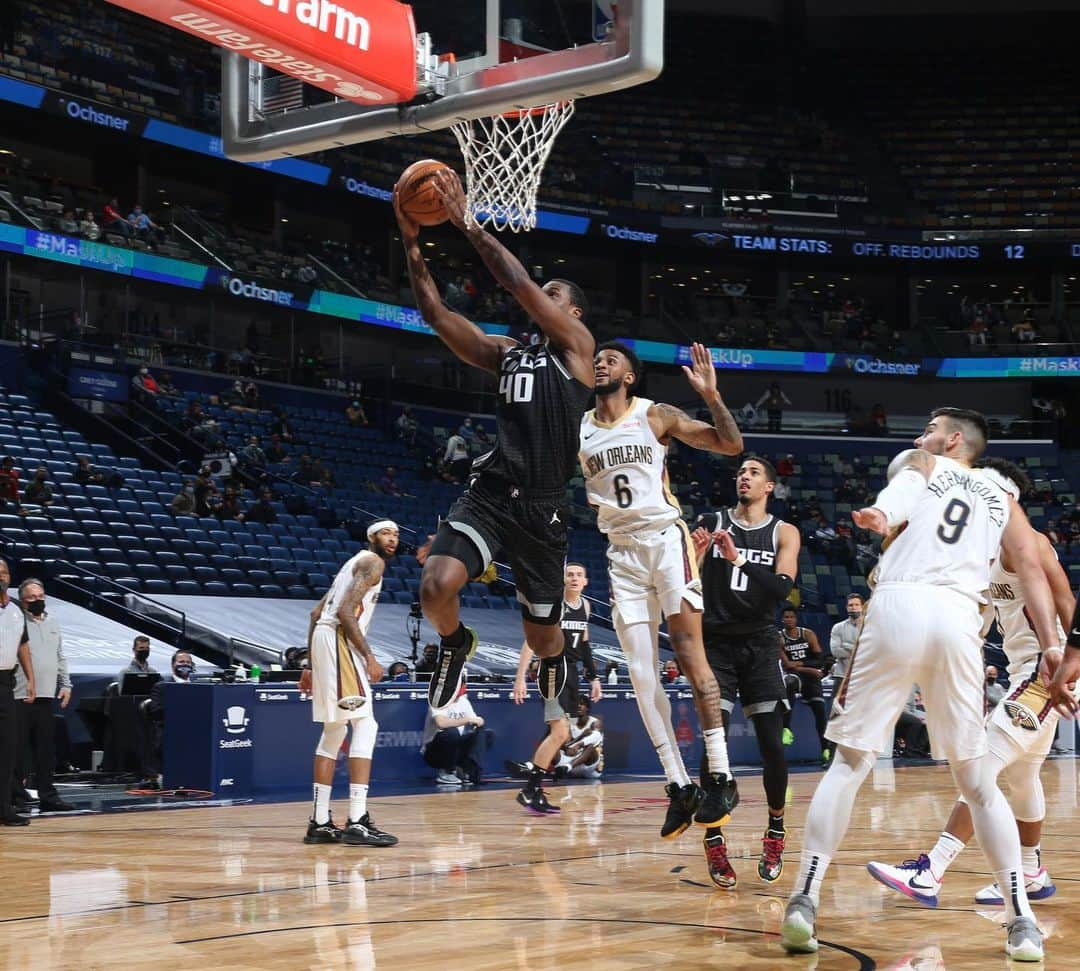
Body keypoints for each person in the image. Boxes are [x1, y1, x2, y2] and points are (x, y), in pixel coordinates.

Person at [782, 410, 1059, 962]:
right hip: (958, 618)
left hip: (898, 606)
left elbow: (904, 487)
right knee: (979, 783)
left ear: (953, 439)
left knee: (850, 763)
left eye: (929, 426)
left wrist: (882, 514)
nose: (919, 435)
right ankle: (1021, 924)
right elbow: (1030, 563)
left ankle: (804, 899)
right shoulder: (1000, 492)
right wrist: (1053, 644)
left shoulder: (924, 462)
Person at [395, 168, 594, 713]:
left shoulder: (577, 347)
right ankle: (456, 644)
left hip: (543, 508)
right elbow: (436, 313)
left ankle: (556, 657)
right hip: (490, 490)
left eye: (553, 294)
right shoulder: (507, 352)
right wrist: (411, 239)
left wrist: (468, 225)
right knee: (435, 585)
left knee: (541, 638)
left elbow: (518, 284)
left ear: (570, 312)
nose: (540, 297)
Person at [868, 457, 1075, 910]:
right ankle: (1032, 870)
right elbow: (978, 616)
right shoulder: (985, 551)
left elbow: (1067, 603)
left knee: (982, 768)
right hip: (1027, 669)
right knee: (1022, 777)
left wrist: (1067, 665)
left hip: (1048, 674)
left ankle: (931, 869)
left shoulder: (1030, 544)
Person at [581, 341, 743, 864]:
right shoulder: (578, 428)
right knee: (640, 675)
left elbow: (730, 444)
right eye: (597, 357)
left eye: (612, 358)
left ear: (630, 376)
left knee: (689, 653)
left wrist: (713, 397)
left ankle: (719, 774)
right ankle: (678, 785)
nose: (601, 361)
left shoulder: (655, 415)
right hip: (620, 553)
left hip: (665, 541)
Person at [691, 455, 802, 889]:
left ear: (770, 486)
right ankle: (714, 838)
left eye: (754, 473)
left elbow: (781, 589)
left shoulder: (784, 532)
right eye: (741, 472)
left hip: (759, 643)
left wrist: (736, 560)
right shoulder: (711, 520)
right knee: (712, 742)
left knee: (772, 745)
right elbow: (684, 576)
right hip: (715, 642)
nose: (744, 477)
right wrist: (696, 557)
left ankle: (775, 830)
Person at [298, 520, 400, 847]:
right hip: (340, 640)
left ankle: (321, 821)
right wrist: (369, 657)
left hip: (325, 640)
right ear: (372, 538)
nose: (393, 539)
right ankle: (356, 819)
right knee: (365, 725)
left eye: (397, 535)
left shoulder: (351, 563)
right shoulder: (373, 563)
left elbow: (316, 613)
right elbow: (344, 611)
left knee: (335, 730)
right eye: (387, 534)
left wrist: (309, 664)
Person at [508, 564, 603, 814]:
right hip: (552, 669)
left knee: (562, 734)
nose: (574, 578)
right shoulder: (554, 606)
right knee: (560, 733)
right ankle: (530, 787)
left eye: (578, 575)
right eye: (569, 574)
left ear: (586, 582)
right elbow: (532, 641)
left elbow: (584, 643)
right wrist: (520, 678)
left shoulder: (585, 606)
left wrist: (593, 677)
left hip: (571, 672)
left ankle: (531, 779)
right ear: (562, 580)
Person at [11, 579, 72, 813]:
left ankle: (48, 795)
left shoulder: (53, 621)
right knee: (17, 750)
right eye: (32, 598)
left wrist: (66, 684)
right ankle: (15, 796)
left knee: (46, 750)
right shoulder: (16, 621)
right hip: (21, 694)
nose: (38, 601)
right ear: (23, 600)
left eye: (40, 596)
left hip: (47, 695)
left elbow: (60, 656)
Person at [0, 558, 34, 825]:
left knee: (7, 748)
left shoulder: (15, 611)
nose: (2, 575)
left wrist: (31, 679)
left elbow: (23, 646)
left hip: (5, 683)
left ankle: (3, 808)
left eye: (5, 571)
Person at [779, 606, 829, 761]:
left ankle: (825, 750)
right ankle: (786, 728)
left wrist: (800, 664)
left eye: (791, 617)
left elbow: (819, 660)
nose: (788, 619)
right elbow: (787, 666)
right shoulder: (779, 637)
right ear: (782, 619)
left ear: (796, 619)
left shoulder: (807, 634)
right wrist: (810, 669)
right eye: (786, 617)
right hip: (797, 675)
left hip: (810, 678)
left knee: (820, 711)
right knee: (789, 682)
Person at [141, 650, 196, 787]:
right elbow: (156, 711)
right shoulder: (161, 687)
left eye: (188, 662)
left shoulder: (199, 687)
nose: (185, 665)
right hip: (170, 729)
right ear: (173, 665)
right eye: (181, 662)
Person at [420, 675, 487, 786]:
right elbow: (441, 723)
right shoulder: (438, 701)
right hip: (433, 752)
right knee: (451, 732)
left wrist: (479, 722)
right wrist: (467, 720)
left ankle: (469, 771)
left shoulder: (463, 701)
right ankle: (446, 771)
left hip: (455, 749)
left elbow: (475, 720)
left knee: (485, 734)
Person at [555, 698, 604, 779]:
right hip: (573, 761)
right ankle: (542, 770)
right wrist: (580, 737)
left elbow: (597, 736)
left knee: (591, 746)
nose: (578, 706)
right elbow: (566, 746)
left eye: (582, 704)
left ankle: (568, 767)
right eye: (576, 704)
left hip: (591, 768)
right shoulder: (570, 723)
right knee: (553, 745)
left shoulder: (595, 722)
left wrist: (579, 744)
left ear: (587, 708)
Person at [828, 594, 864, 686]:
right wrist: (859, 649)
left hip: (865, 675)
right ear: (847, 608)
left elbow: (872, 651)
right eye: (851, 605)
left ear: (862, 607)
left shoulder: (871, 626)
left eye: (856, 605)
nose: (853, 608)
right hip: (842, 675)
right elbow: (836, 652)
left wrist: (846, 646)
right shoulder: (838, 627)